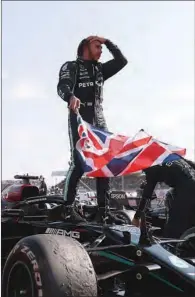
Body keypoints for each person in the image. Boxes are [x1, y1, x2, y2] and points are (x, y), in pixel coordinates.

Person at [57, 35, 128, 222]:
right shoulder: (71, 66)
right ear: (85, 46)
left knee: (104, 165)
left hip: (99, 121)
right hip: (80, 118)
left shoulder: (100, 69)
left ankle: (103, 212)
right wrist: (70, 97)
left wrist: (107, 41)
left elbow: (122, 61)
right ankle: (67, 209)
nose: (101, 50)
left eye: (101, 47)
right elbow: (62, 86)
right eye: (97, 46)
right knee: (79, 162)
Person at [132, 158, 195, 238]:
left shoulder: (151, 166)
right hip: (188, 185)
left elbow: (146, 195)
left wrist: (136, 217)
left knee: (174, 228)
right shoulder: (172, 156)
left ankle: (170, 246)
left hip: (186, 191)